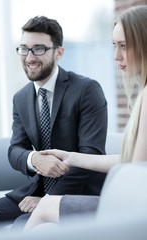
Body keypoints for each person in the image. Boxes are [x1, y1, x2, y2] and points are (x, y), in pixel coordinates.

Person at [23, 5, 147, 230]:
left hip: (137, 209)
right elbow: (133, 161)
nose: (115, 56)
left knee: (45, 207)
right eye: (113, 45)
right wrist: (71, 157)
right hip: (136, 202)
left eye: (124, 46)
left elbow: (135, 170)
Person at [0, 16, 107, 227]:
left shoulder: (86, 90)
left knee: (22, 224)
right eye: (24, 49)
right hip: (34, 192)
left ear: (59, 52)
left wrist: (48, 201)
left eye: (38, 49)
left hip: (77, 195)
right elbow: (16, 149)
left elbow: (90, 157)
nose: (29, 57)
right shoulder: (20, 98)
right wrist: (34, 159)